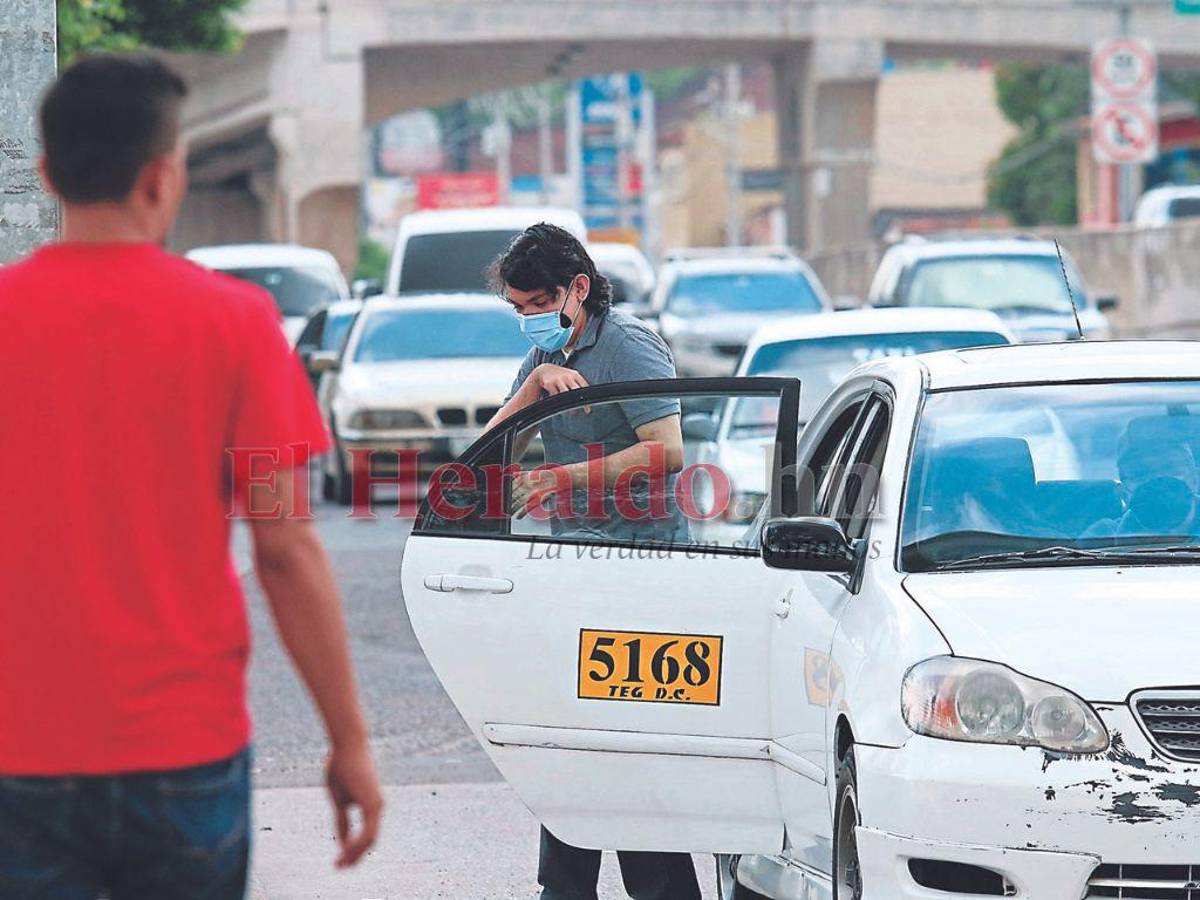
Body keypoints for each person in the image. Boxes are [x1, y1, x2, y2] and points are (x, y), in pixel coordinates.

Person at [0, 54, 382, 898]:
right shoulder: (238, 324)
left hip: (16, 754)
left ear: (48, 174)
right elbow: (285, 549)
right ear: (164, 177)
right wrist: (347, 740)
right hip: (183, 751)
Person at [486, 224, 700, 900]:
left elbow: (666, 450)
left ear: (578, 288)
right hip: (572, 581)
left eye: (536, 304)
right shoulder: (550, 356)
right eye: (518, 310)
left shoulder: (628, 347)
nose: (529, 320)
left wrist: (566, 480)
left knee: (634, 754)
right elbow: (485, 460)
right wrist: (532, 389)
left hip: (645, 578)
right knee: (571, 752)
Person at [1083, 427, 1200, 540]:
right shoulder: (1100, 538)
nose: (1157, 480)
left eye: (1169, 468)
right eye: (1140, 473)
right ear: (1124, 493)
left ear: (1195, 479)